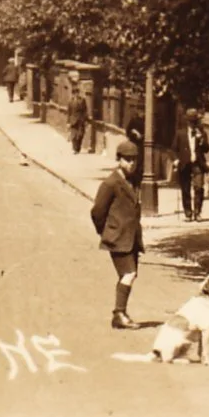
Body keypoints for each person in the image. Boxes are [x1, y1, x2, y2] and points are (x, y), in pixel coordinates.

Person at [90, 140, 145, 329]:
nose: (131, 163)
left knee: (129, 275)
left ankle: (120, 313)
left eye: (134, 160)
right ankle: (119, 314)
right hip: (118, 237)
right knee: (129, 274)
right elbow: (97, 211)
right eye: (127, 160)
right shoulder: (111, 183)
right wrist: (106, 231)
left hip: (131, 237)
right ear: (119, 160)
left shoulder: (133, 180)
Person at [179, 114, 209, 221]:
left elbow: (207, 149)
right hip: (185, 164)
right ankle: (188, 213)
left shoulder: (202, 134)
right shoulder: (181, 133)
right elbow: (173, 149)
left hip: (198, 164)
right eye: (191, 122)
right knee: (185, 189)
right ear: (187, 122)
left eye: (195, 122)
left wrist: (201, 140)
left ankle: (197, 212)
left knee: (199, 187)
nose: (193, 125)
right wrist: (175, 160)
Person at [68, 83, 90, 154]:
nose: (76, 94)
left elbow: (85, 110)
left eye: (77, 92)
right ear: (73, 94)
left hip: (80, 120)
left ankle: (78, 148)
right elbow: (69, 112)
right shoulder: (70, 102)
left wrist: (85, 119)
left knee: (80, 135)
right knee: (74, 136)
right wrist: (68, 122)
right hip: (73, 121)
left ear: (78, 93)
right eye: (74, 93)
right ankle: (75, 149)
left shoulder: (82, 100)